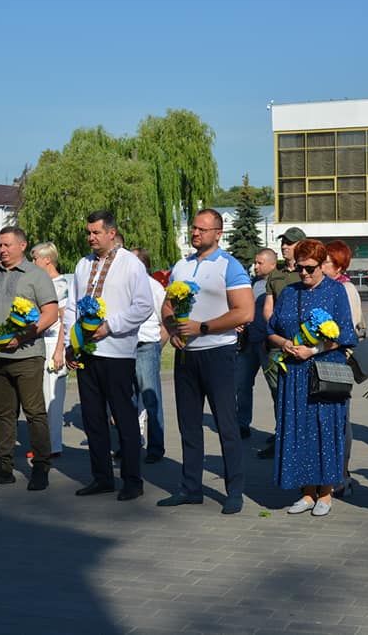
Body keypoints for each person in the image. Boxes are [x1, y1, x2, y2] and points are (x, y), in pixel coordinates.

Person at [158, 208, 253, 514]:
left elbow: (244, 312)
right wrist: (173, 328)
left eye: (202, 229)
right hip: (187, 355)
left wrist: (203, 327)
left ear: (217, 234)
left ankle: (234, 490)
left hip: (218, 354)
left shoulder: (230, 266)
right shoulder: (181, 266)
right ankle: (190, 487)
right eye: (194, 228)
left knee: (226, 424)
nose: (195, 233)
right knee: (188, 425)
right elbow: (167, 304)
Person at [65, 211, 153, 501]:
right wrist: (70, 343)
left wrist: (110, 326)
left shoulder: (131, 264)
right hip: (87, 353)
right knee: (92, 418)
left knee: (123, 417)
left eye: (96, 233)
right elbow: (72, 307)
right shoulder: (82, 264)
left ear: (111, 233)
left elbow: (143, 306)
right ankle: (101, 477)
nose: (90, 238)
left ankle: (132, 479)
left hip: (117, 352)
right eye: (88, 233)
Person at [0, 226, 58, 490]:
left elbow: (51, 313)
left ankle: (41, 466)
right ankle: (3, 467)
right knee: (2, 414)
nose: (2, 250)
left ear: (22, 246)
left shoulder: (36, 275)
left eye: (7, 245)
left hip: (27, 356)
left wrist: (26, 335)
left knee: (34, 413)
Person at [269, 239, 356, 516]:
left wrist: (313, 349)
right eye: (300, 269)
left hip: (324, 371)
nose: (304, 274)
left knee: (324, 429)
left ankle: (326, 493)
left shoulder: (336, 291)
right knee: (298, 429)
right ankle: (306, 492)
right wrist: (284, 344)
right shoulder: (290, 292)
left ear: (322, 264)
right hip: (294, 372)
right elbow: (270, 329)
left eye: (310, 269)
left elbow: (345, 336)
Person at [258, 227, 307, 459]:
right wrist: (278, 332)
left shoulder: (307, 273)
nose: (285, 246)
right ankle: (282, 439)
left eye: (290, 243)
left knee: (301, 395)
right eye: (283, 242)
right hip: (278, 345)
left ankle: (300, 440)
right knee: (279, 395)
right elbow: (268, 309)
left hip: (304, 345)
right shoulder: (275, 276)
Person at [323, 240, 364, 495]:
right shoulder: (325, 287)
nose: (322, 265)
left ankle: (343, 473)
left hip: (340, 360)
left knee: (340, 418)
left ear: (339, 266)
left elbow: (350, 327)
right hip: (324, 358)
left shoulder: (346, 289)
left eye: (327, 261)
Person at [31, 242, 69, 457]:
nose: (33, 262)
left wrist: (59, 350)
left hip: (53, 343)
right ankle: (43, 443)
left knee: (52, 398)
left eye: (35, 258)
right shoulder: (42, 283)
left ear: (47, 259)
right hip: (40, 343)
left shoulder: (59, 285)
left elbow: (65, 319)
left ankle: (53, 445)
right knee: (40, 398)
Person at [131, 247, 169, 464]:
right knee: (127, 399)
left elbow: (166, 321)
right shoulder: (126, 285)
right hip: (125, 347)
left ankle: (156, 447)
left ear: (143, 266)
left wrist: (157, 346)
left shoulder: (153, 287)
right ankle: (131, 442)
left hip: (146, 345)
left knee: (150, 397)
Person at [235, 248, 276, 439]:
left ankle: (280, 429)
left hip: (267, 343)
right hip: (248, 343)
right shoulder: (251, 283)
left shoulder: (276, 284)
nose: (255, 266)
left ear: (272, 264)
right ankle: (242, 423)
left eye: (260, 263)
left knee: (275, 387)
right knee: (241, 384)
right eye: (255, 262)